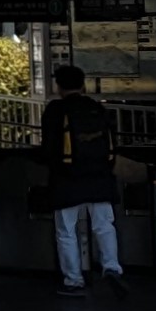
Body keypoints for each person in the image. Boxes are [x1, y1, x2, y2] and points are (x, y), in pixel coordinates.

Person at [43, 65, 125, 293]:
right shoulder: (96, 108)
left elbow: (48, 148)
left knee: (67, 231)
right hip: (100, 178)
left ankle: (73, 280)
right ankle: (111, 267)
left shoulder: (56, 110)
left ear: (58, 86)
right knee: (104, 225)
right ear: (83, 85)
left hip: (67, 179)